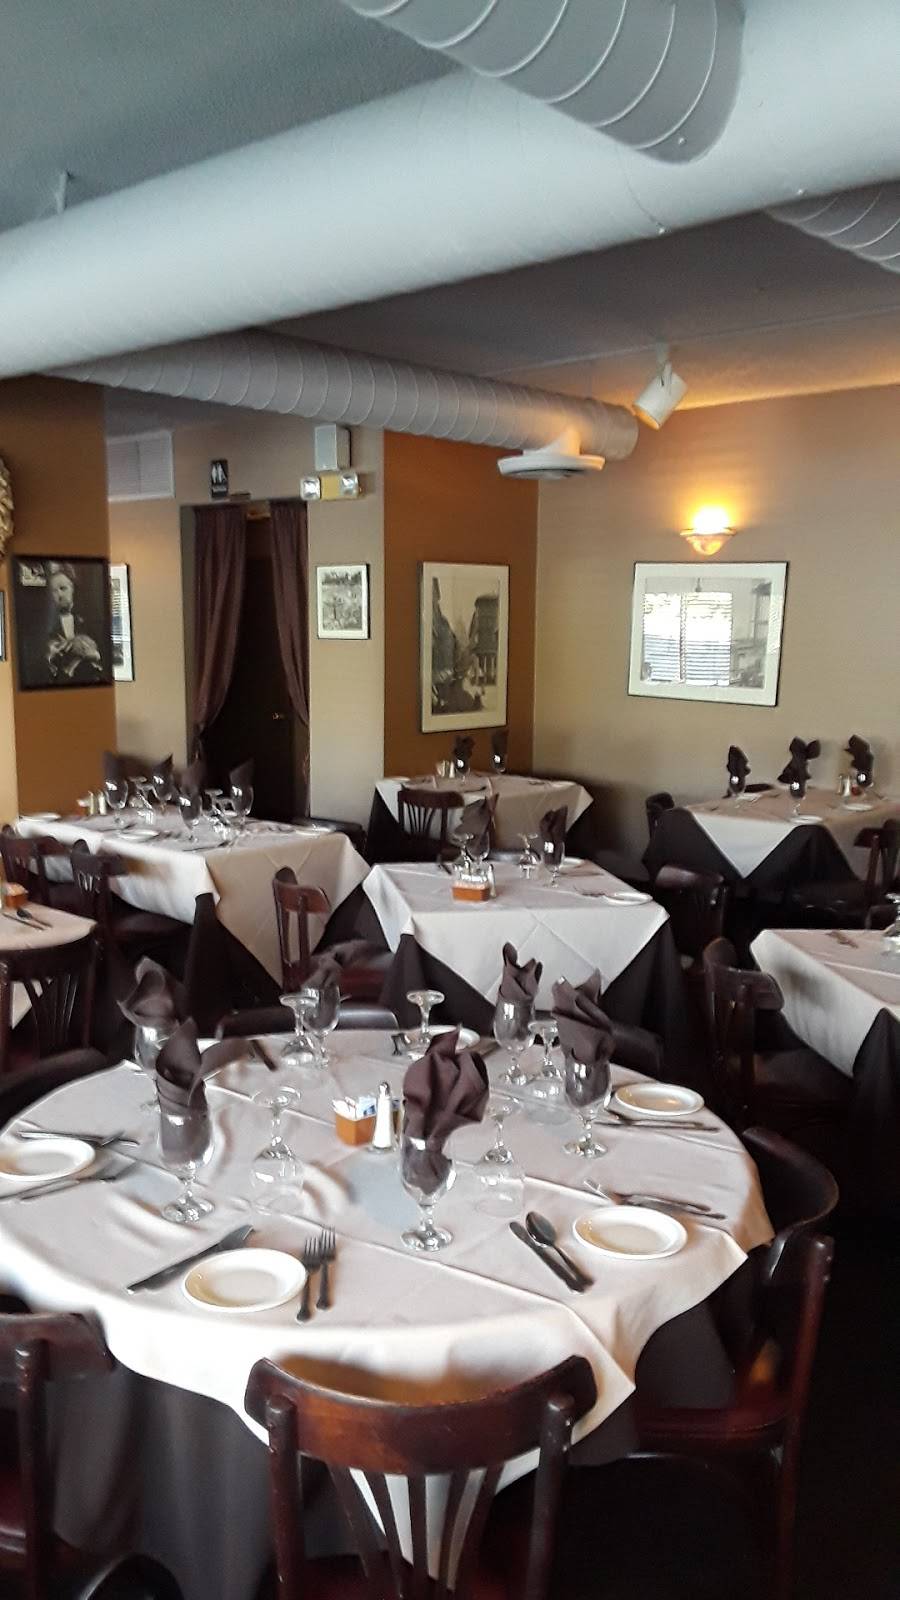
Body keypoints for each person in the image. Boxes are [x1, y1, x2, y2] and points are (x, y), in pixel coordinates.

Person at [45, 562, 104, 683]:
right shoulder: (48, 626)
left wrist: (93, 654)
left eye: (63, 588)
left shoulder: (91, 620)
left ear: (73, 589)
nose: (59, 595)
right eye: (54, 591)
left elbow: (105, 655)